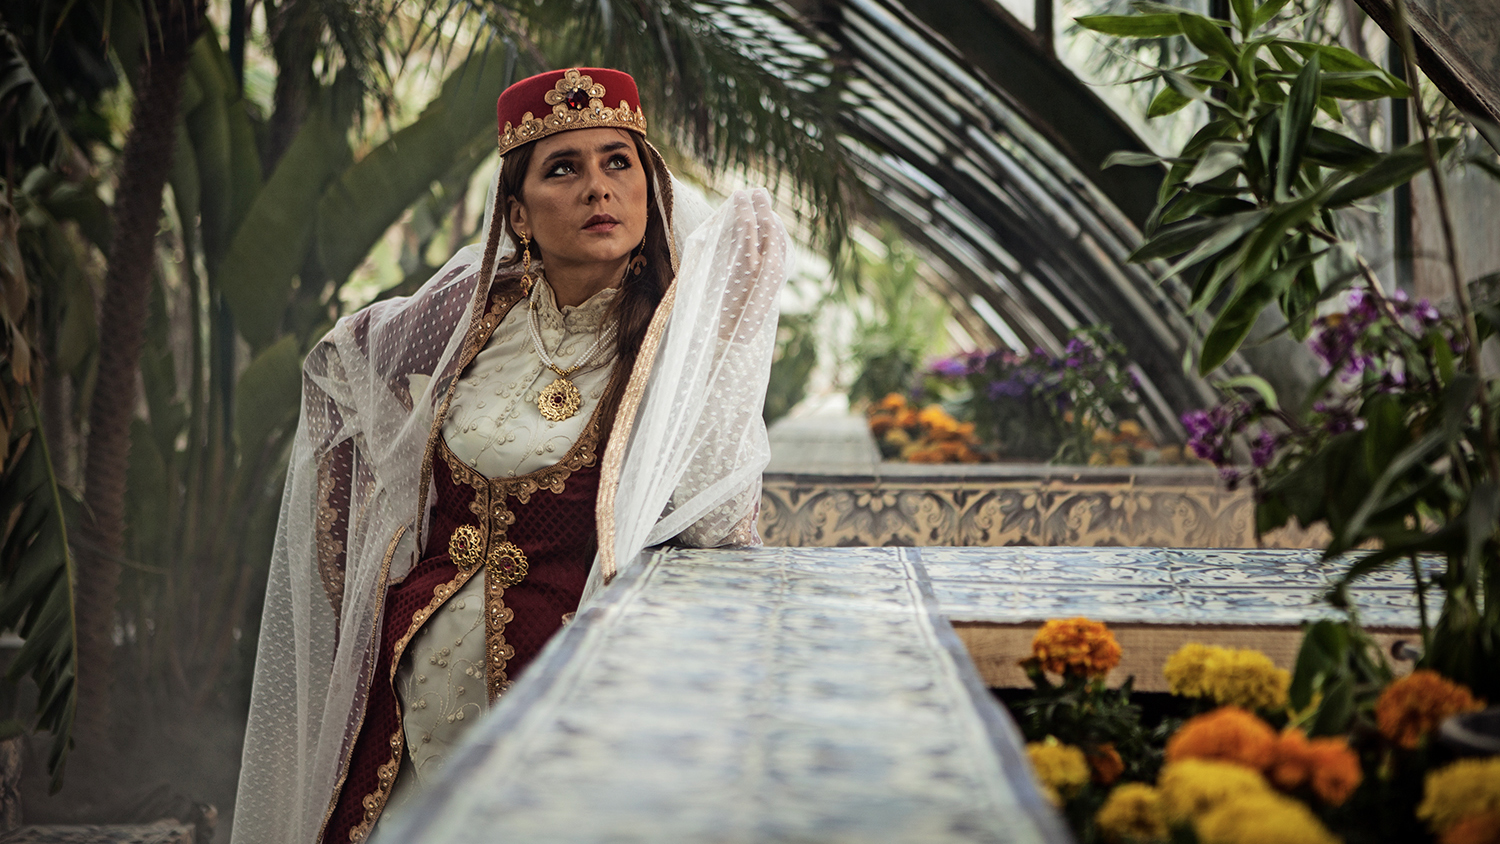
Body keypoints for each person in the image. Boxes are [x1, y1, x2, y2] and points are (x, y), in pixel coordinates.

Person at [230, 67, 790, 844]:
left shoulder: (675, 344)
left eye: (617, 161)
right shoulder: (473, 317)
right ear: (519, 214)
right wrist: (377, 548)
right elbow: (342, 368)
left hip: (565, 723)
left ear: (650, 188)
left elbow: (716, 525)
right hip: (405, 713)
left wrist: (728, 339)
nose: (598, 187)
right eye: (564, 169)